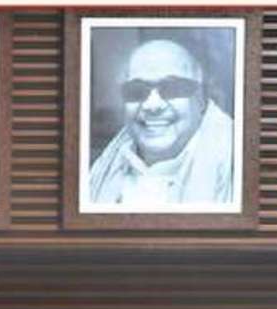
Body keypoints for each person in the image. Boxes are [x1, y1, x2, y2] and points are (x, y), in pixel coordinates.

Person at [87, 35, 234, 207]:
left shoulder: (236, 162)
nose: (152, 105)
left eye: (172, 88)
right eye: (137, 90)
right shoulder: (105, 166)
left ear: (201, 98)